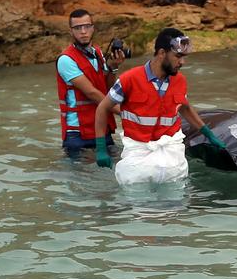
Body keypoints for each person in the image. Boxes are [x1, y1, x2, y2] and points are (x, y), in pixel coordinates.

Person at [94, 27, 225, 184]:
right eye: (178, 56)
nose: (182, 62)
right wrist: (101, 148)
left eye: (184, 57)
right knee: (139, 205)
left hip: (171, 155)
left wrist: (209, 135)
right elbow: (102, 107)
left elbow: (185, 108)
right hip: (138, 154)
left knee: (174, 205)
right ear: (162, 53)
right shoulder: (129, 79)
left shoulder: (180, 81)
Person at [56, 9, 125, 154]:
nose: (83, 31)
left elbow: (107, 88)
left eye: (87, 26)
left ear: (93, 28)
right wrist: (125, 113)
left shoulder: (97, 53)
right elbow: (91, 92)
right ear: (71, 32)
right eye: (77, 28)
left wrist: (113, 67)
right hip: (78, 133)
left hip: (101, 127)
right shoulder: (66, 60)